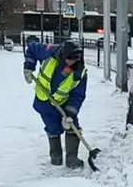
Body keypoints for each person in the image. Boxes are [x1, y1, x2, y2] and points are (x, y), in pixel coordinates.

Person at [23, 40, 88, 168]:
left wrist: (70, 113)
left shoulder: (79, 72)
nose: (71, 62)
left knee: (72, 126)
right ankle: (55, 155)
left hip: (64, 103)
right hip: (44, 101)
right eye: (69, 59)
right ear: (63, 55)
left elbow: (78, 95)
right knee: (52, 128)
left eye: (75, 59)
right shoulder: (50, 52)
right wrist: (28, 67)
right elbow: (31, 48)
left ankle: (72, 158)